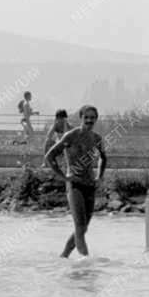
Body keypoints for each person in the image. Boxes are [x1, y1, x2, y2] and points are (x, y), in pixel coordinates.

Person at [44, 105, 107, 258]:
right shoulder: (71, 136)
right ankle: (86, 260)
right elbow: (49, 156)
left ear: (96, 119)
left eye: (92, 117)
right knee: (79, 226)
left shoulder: (97, 138)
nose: (89, 120)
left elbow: (103, 158)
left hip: (90, 185)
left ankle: (64, 256)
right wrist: (64, 176)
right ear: (81, 118)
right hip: (74, 185)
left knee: (83, 228)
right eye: (86, 117)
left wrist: (99, 176)